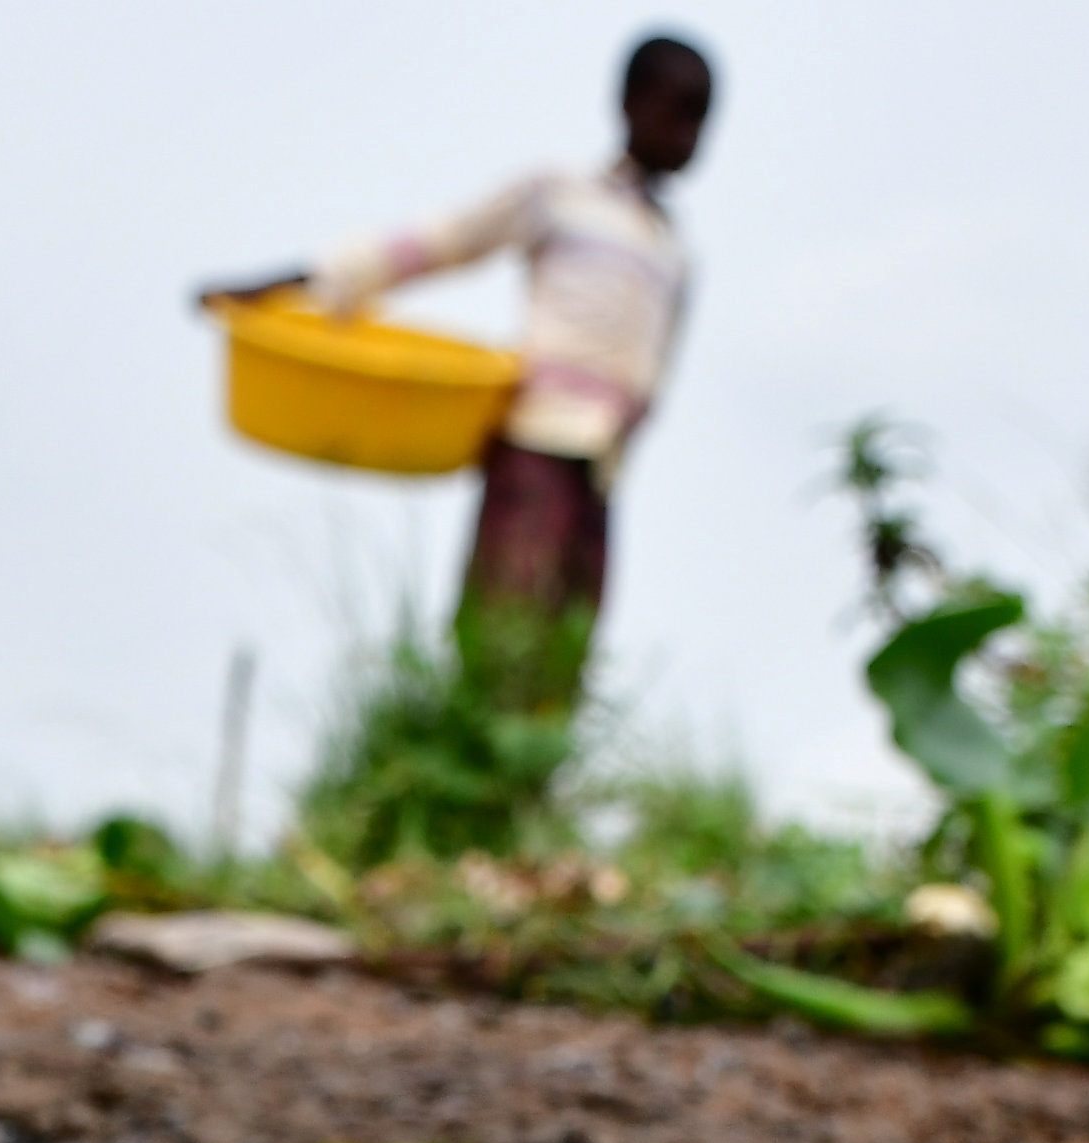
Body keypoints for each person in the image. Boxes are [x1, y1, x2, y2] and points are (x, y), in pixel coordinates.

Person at [202, 34, 715, 718]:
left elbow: (653, 377)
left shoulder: (672, 253)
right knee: (501, 626)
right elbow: (434, 244)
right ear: (627, 103)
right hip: (534, 449)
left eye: (700, 120)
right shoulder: (557, 198)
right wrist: (292, 284)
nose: (687, 137)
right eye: (675, 112)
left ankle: (526, 800)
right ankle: (463, 785)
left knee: (566, 649)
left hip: (600, 474)